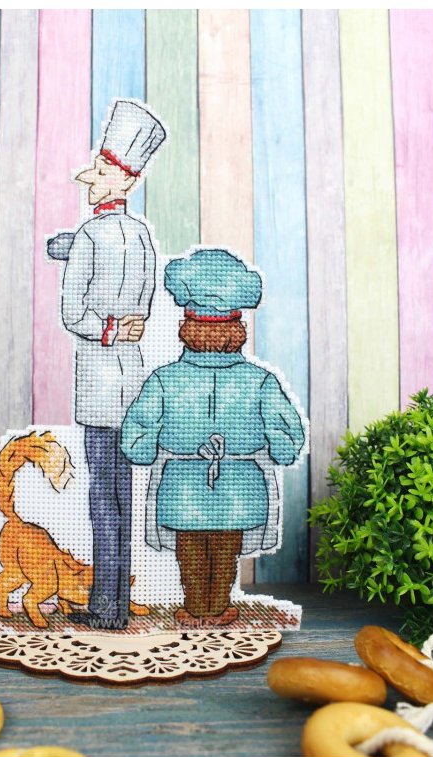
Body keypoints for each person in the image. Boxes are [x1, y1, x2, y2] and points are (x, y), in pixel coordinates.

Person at [120, 249, 306, 628]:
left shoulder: (164, 379)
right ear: (237, 331)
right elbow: (288, 435)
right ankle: (218, 607)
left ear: (187, 329)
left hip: (182, 486)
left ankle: (195, 607)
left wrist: (146, 447)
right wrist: (279, 446)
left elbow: (137, 434)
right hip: (240, 486)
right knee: (225, 548)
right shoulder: (261, 381)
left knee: (189, 547)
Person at [46, 100, 166, 629]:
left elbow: (73, 313)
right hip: (131, 378)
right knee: (124, 495)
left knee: (103, 499)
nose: (89, 179)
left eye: (99, 170)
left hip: (98, 383)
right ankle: (115, 602)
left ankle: (107, 607)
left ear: (123, 179)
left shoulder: (92, 237)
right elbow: (144, 301)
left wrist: (107, 327)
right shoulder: (140, 235)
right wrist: (125, 325)